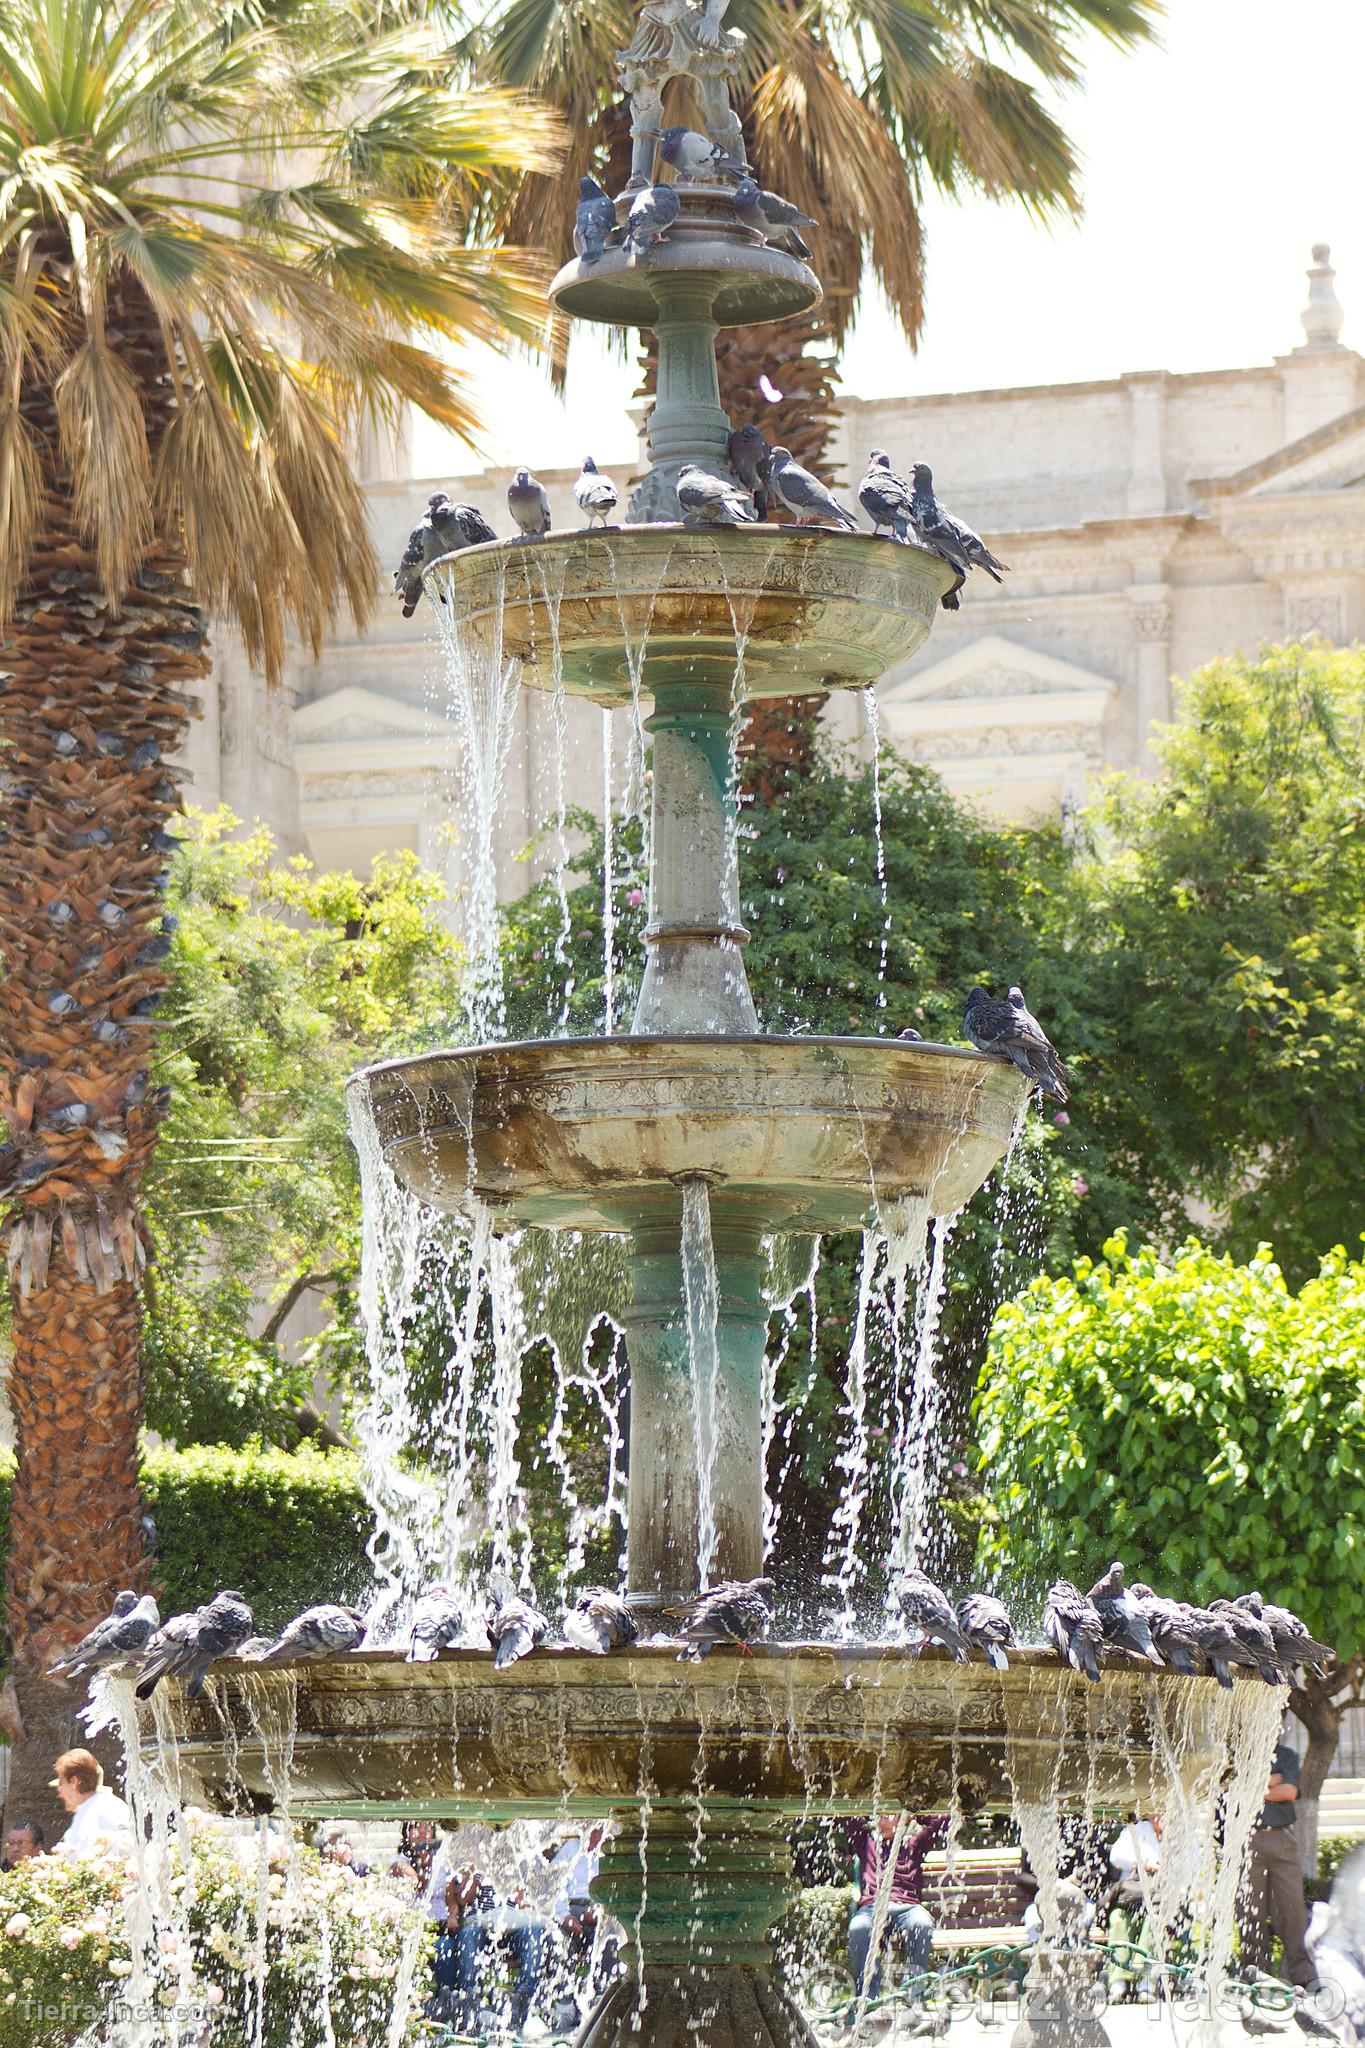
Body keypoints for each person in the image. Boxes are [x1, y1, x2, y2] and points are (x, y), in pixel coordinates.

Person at [843, 1814, 949, 2001]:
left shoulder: (915, 1845)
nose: (881, 1822)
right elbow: (844, 1814)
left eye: (887, 1816)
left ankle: (914, 1996)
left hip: (907, 1908)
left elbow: (944, 1820)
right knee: (859, 1928)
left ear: (903, 1819)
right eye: (879, 1816)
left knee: (921, 1924)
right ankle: (867, 1999)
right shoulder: (866, 1842)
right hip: (873, 1909)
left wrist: (914, 1810)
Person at [1240, 1739, 1314, 1990]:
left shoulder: (1286, 1755)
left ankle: (1303, 1974)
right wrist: (1270, 1783)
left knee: (1292, 1909)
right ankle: (1255, 1974)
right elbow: (1230, 1789)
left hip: (1282, 1839)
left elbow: (1289, 1792)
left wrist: (1253, 1788)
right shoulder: (1240, 1754)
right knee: (1250, 1910)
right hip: (1248, 1839)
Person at [49, 1749, 134, 1859]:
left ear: (74, 1781)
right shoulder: (85, 1809)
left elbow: (125, 1848)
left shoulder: (109, 1807)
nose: (59, 1790)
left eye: (61, 1783)